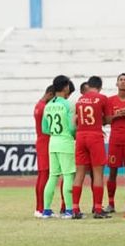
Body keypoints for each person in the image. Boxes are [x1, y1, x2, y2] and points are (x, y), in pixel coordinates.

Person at [72, 75, 112, 219]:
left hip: (81, 136)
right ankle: (98, 209)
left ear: (88, 86)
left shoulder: (80, 99)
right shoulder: (102, 98)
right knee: (98, 173)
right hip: (95, 136)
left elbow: (76, 119)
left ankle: (75, 209)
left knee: (79, 174)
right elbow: (107, 120)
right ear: (100, 87)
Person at [41, 75, 76, 219]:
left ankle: (46, 210)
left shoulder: (48, 105)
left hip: (53, 143)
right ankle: (69, 210)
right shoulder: (68, 105)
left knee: (52, 177)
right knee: (68, 176)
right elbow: (72, 128)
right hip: (66, 143)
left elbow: (44, 129)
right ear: (66, 86)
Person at [105, 73, 125, 213]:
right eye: (120, 80)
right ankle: (111, 203)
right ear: (116, 84)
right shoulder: (110, 101)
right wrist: (117, 115)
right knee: (112, 172)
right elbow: (105, 120)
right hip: (115, 140)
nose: (123, 82)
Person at [33, 85, 55, 217]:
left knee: (43, 175)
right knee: (44, 175)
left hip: (41, 142)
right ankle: (40, 209)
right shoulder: (43, 108)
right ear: (50, 94)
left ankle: (39, 208)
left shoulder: (38, 105)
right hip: (45, 143)